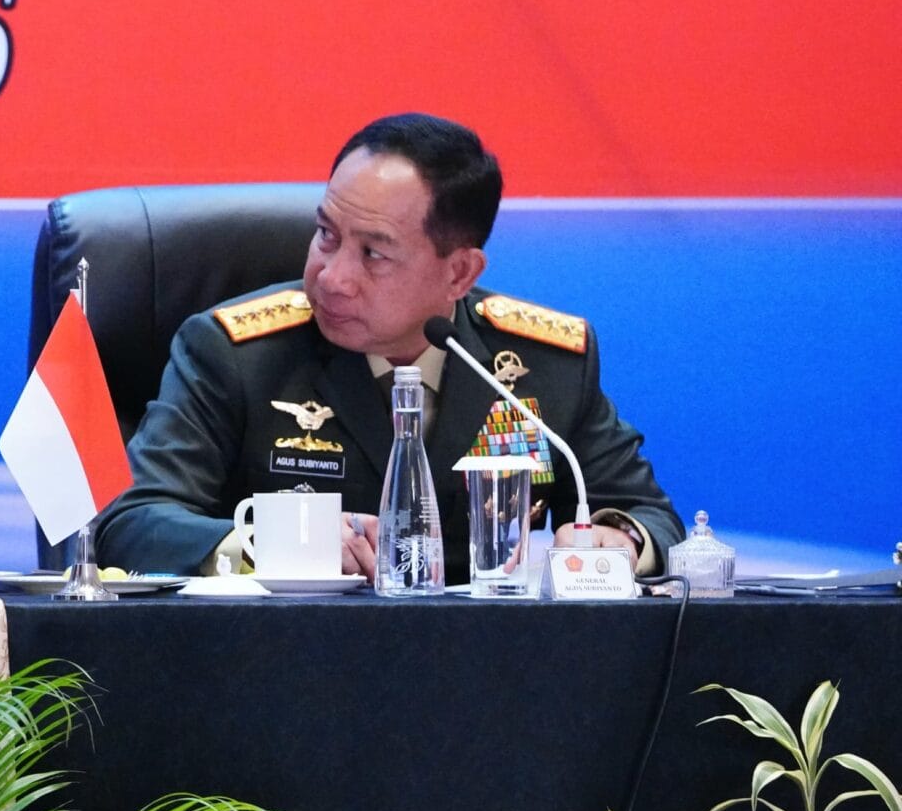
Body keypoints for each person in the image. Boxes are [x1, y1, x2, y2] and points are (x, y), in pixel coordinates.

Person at [97, 113, 682, 582]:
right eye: (326, 234)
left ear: (459, 273)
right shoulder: (235, 353)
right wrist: (271, 543)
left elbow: (650, 518)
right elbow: (131, 523)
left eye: (374, 254)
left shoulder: (546, 364)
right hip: (287, 660)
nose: (332, 277)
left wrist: (623, 541)